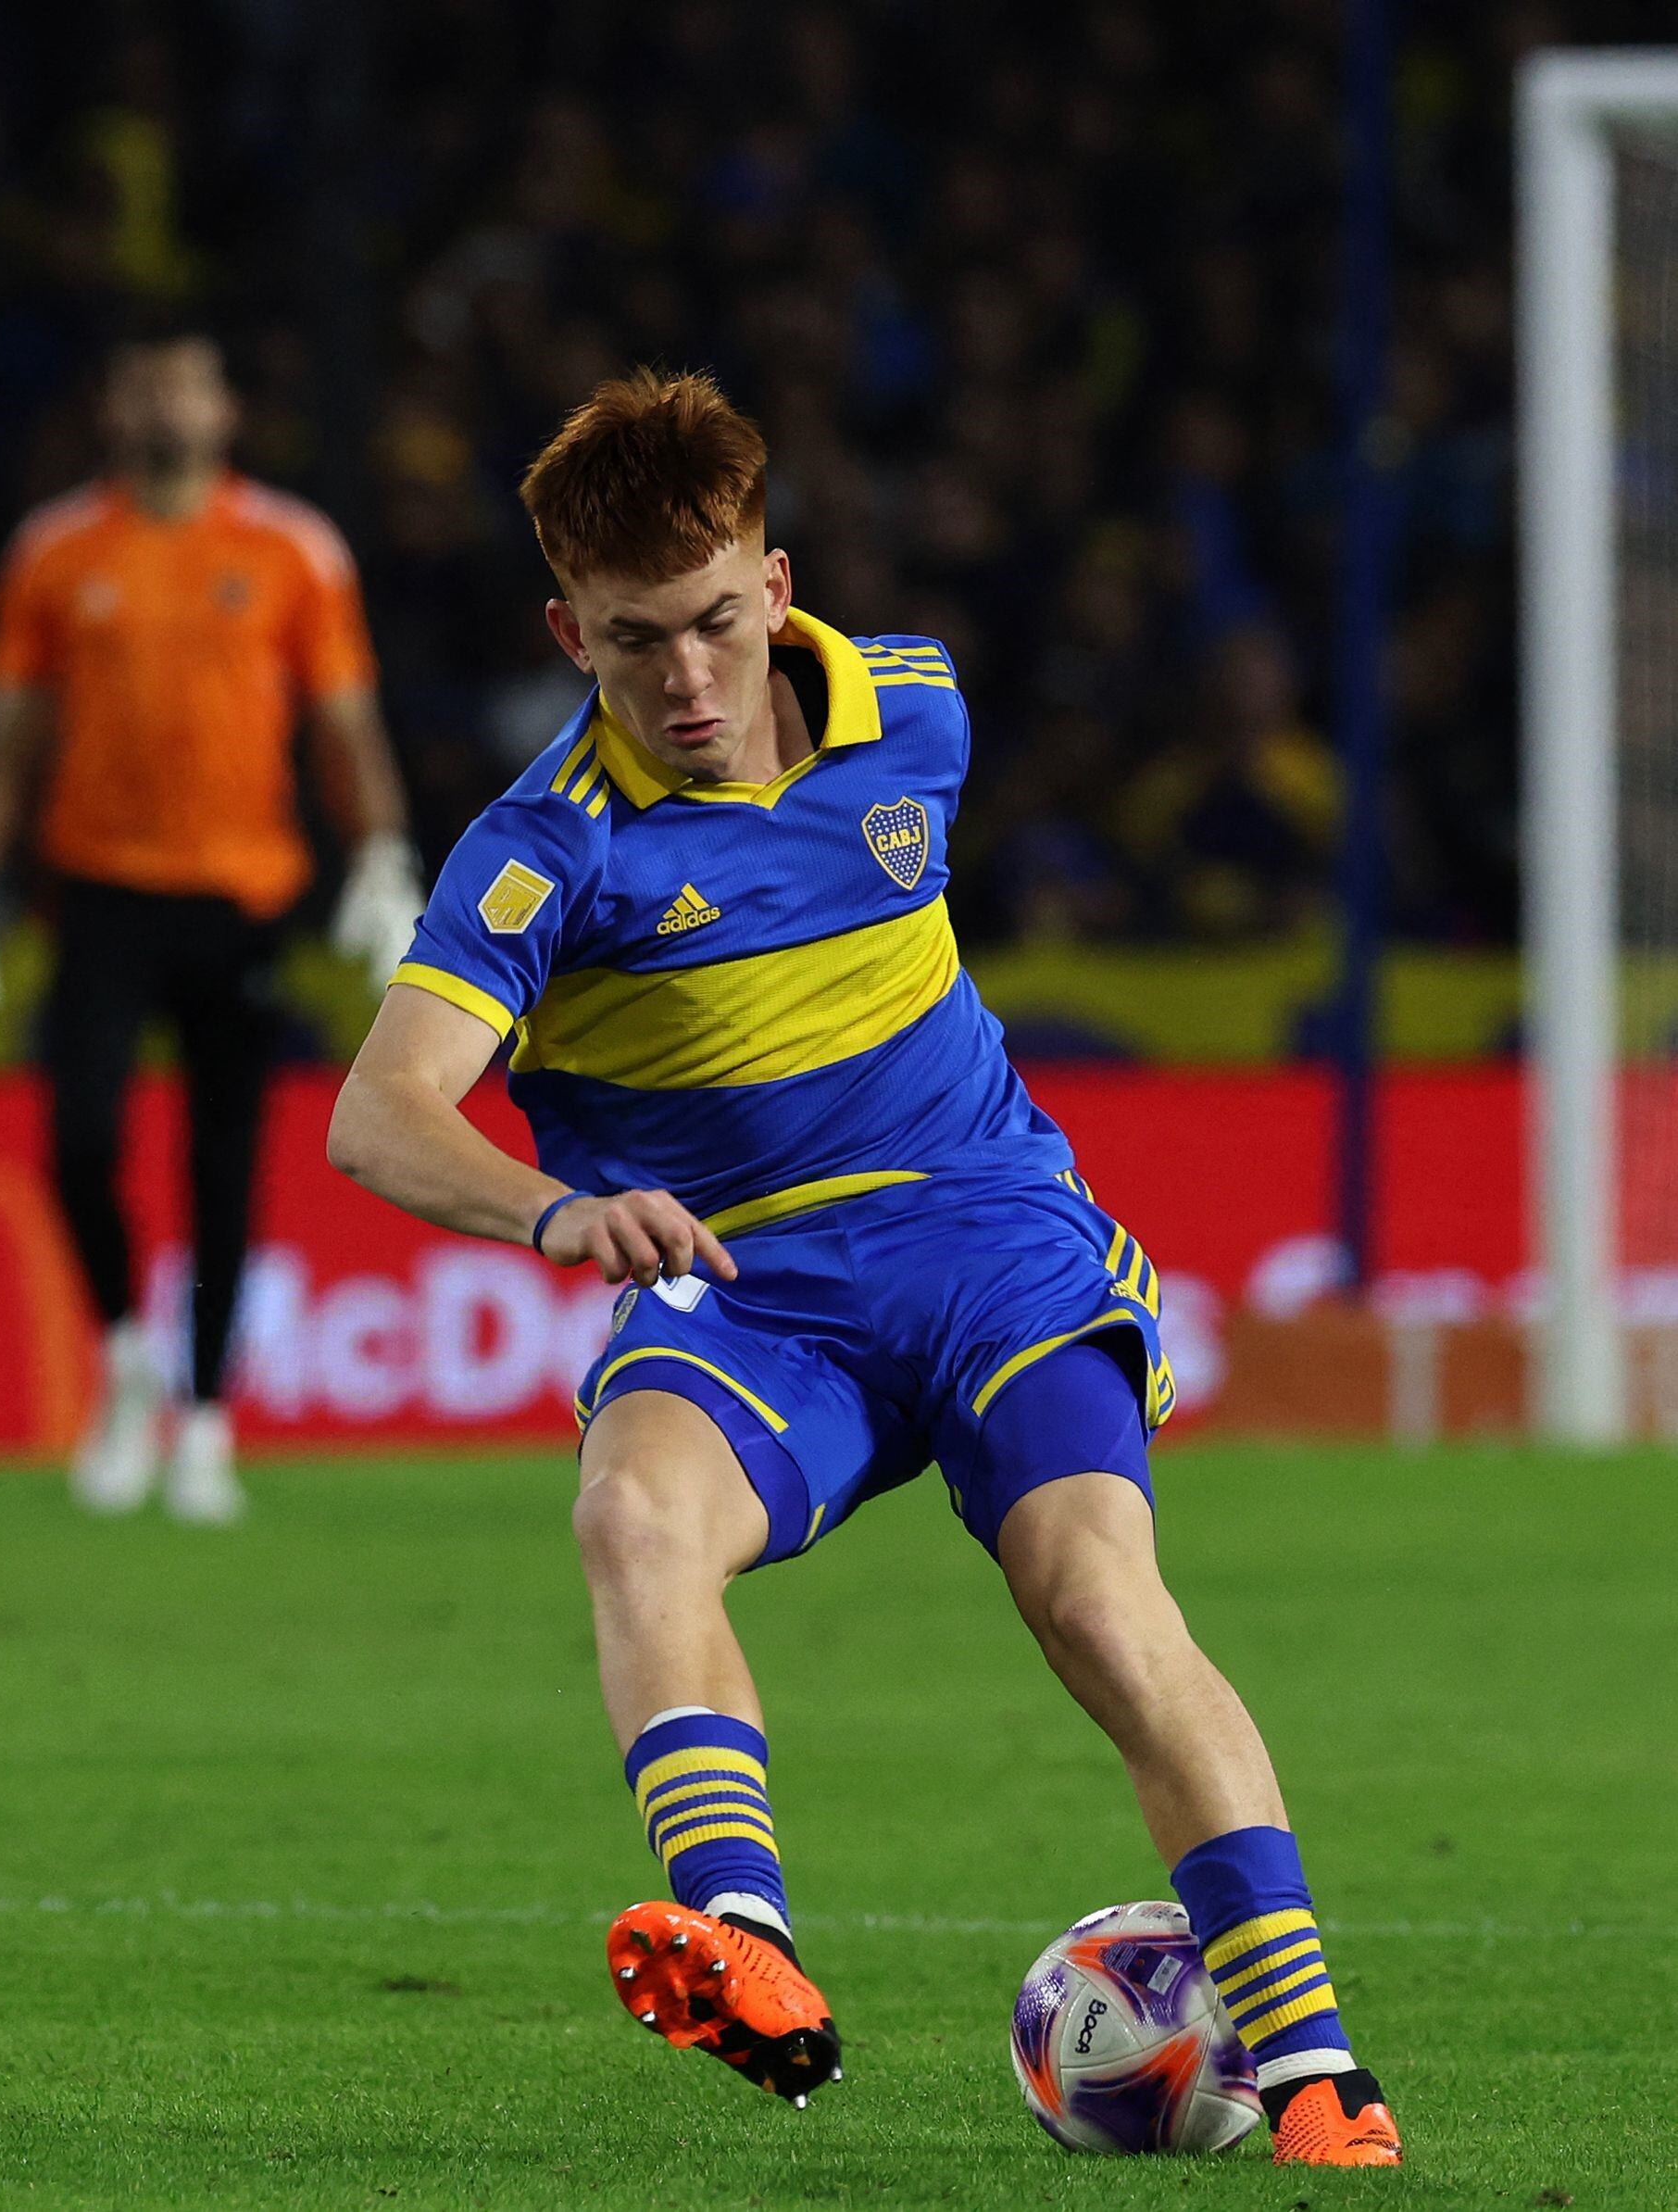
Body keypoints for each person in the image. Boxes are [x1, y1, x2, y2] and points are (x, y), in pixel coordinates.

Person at [323, 371, 1399, 2168]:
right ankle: (744, 1943)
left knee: (1093, 1596)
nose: (685, 684)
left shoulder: (914, 706)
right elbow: (379, 1114)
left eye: (718, 625)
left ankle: (1315, 2086)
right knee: (631, 1519)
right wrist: (552, 1211)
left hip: (988, 1240)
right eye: (634, 642)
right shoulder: (542, 853)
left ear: (778, 580)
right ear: (564, 631)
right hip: (747, 1292)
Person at [0, 326, 420, 1523]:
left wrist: (384, 863)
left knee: (222, 1163)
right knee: (78, 1142)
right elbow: (3, 738)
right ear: (112, 409)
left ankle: (207, 1425)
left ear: (224, 408)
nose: (163, 404)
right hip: (100, 890)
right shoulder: (55, 551)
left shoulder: (291, 549)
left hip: (241, 896)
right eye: (141, 384)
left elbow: (344, 726)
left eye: (184, 382)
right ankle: (128, 1359)